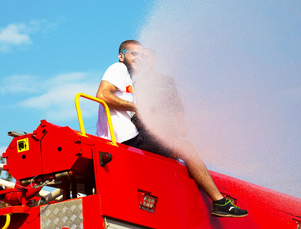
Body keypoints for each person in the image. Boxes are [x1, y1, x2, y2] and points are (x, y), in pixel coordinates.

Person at [96, 40, 248, 218]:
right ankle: (219, 201)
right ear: (121, 56)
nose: (138, 58)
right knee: (187, 149)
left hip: (132, 137)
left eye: (140, 54)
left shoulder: (131, 80)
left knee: (172, 158)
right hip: (128, 140)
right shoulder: (118, 68)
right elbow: (102, 94)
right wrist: (136, 108)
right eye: (133, 53)